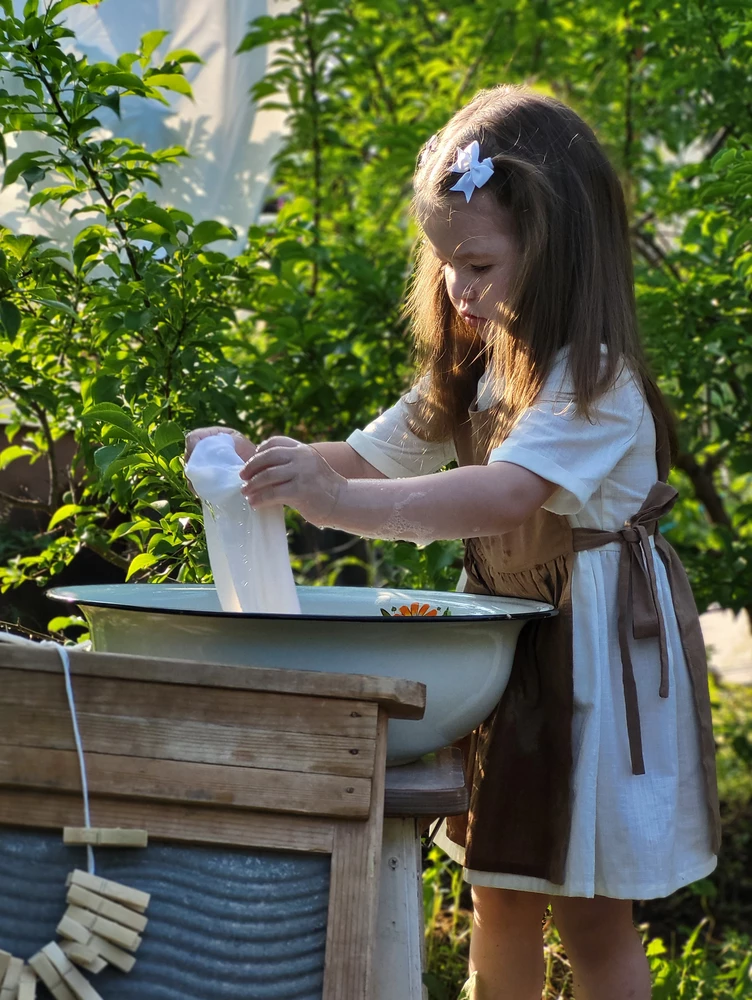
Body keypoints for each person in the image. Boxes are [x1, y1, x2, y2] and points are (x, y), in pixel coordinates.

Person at [185, 85, 721, 1000]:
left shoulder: (593, 381)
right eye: (443, 266)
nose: (457, 289)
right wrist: (267, 462)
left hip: (594, 657)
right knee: (500, 890)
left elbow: (505, 495)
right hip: (517, 652)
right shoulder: (474, 365)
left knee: (591, 908)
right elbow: (366, 457)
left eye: (477, 264)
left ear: (554, 253)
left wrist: (337, 503)